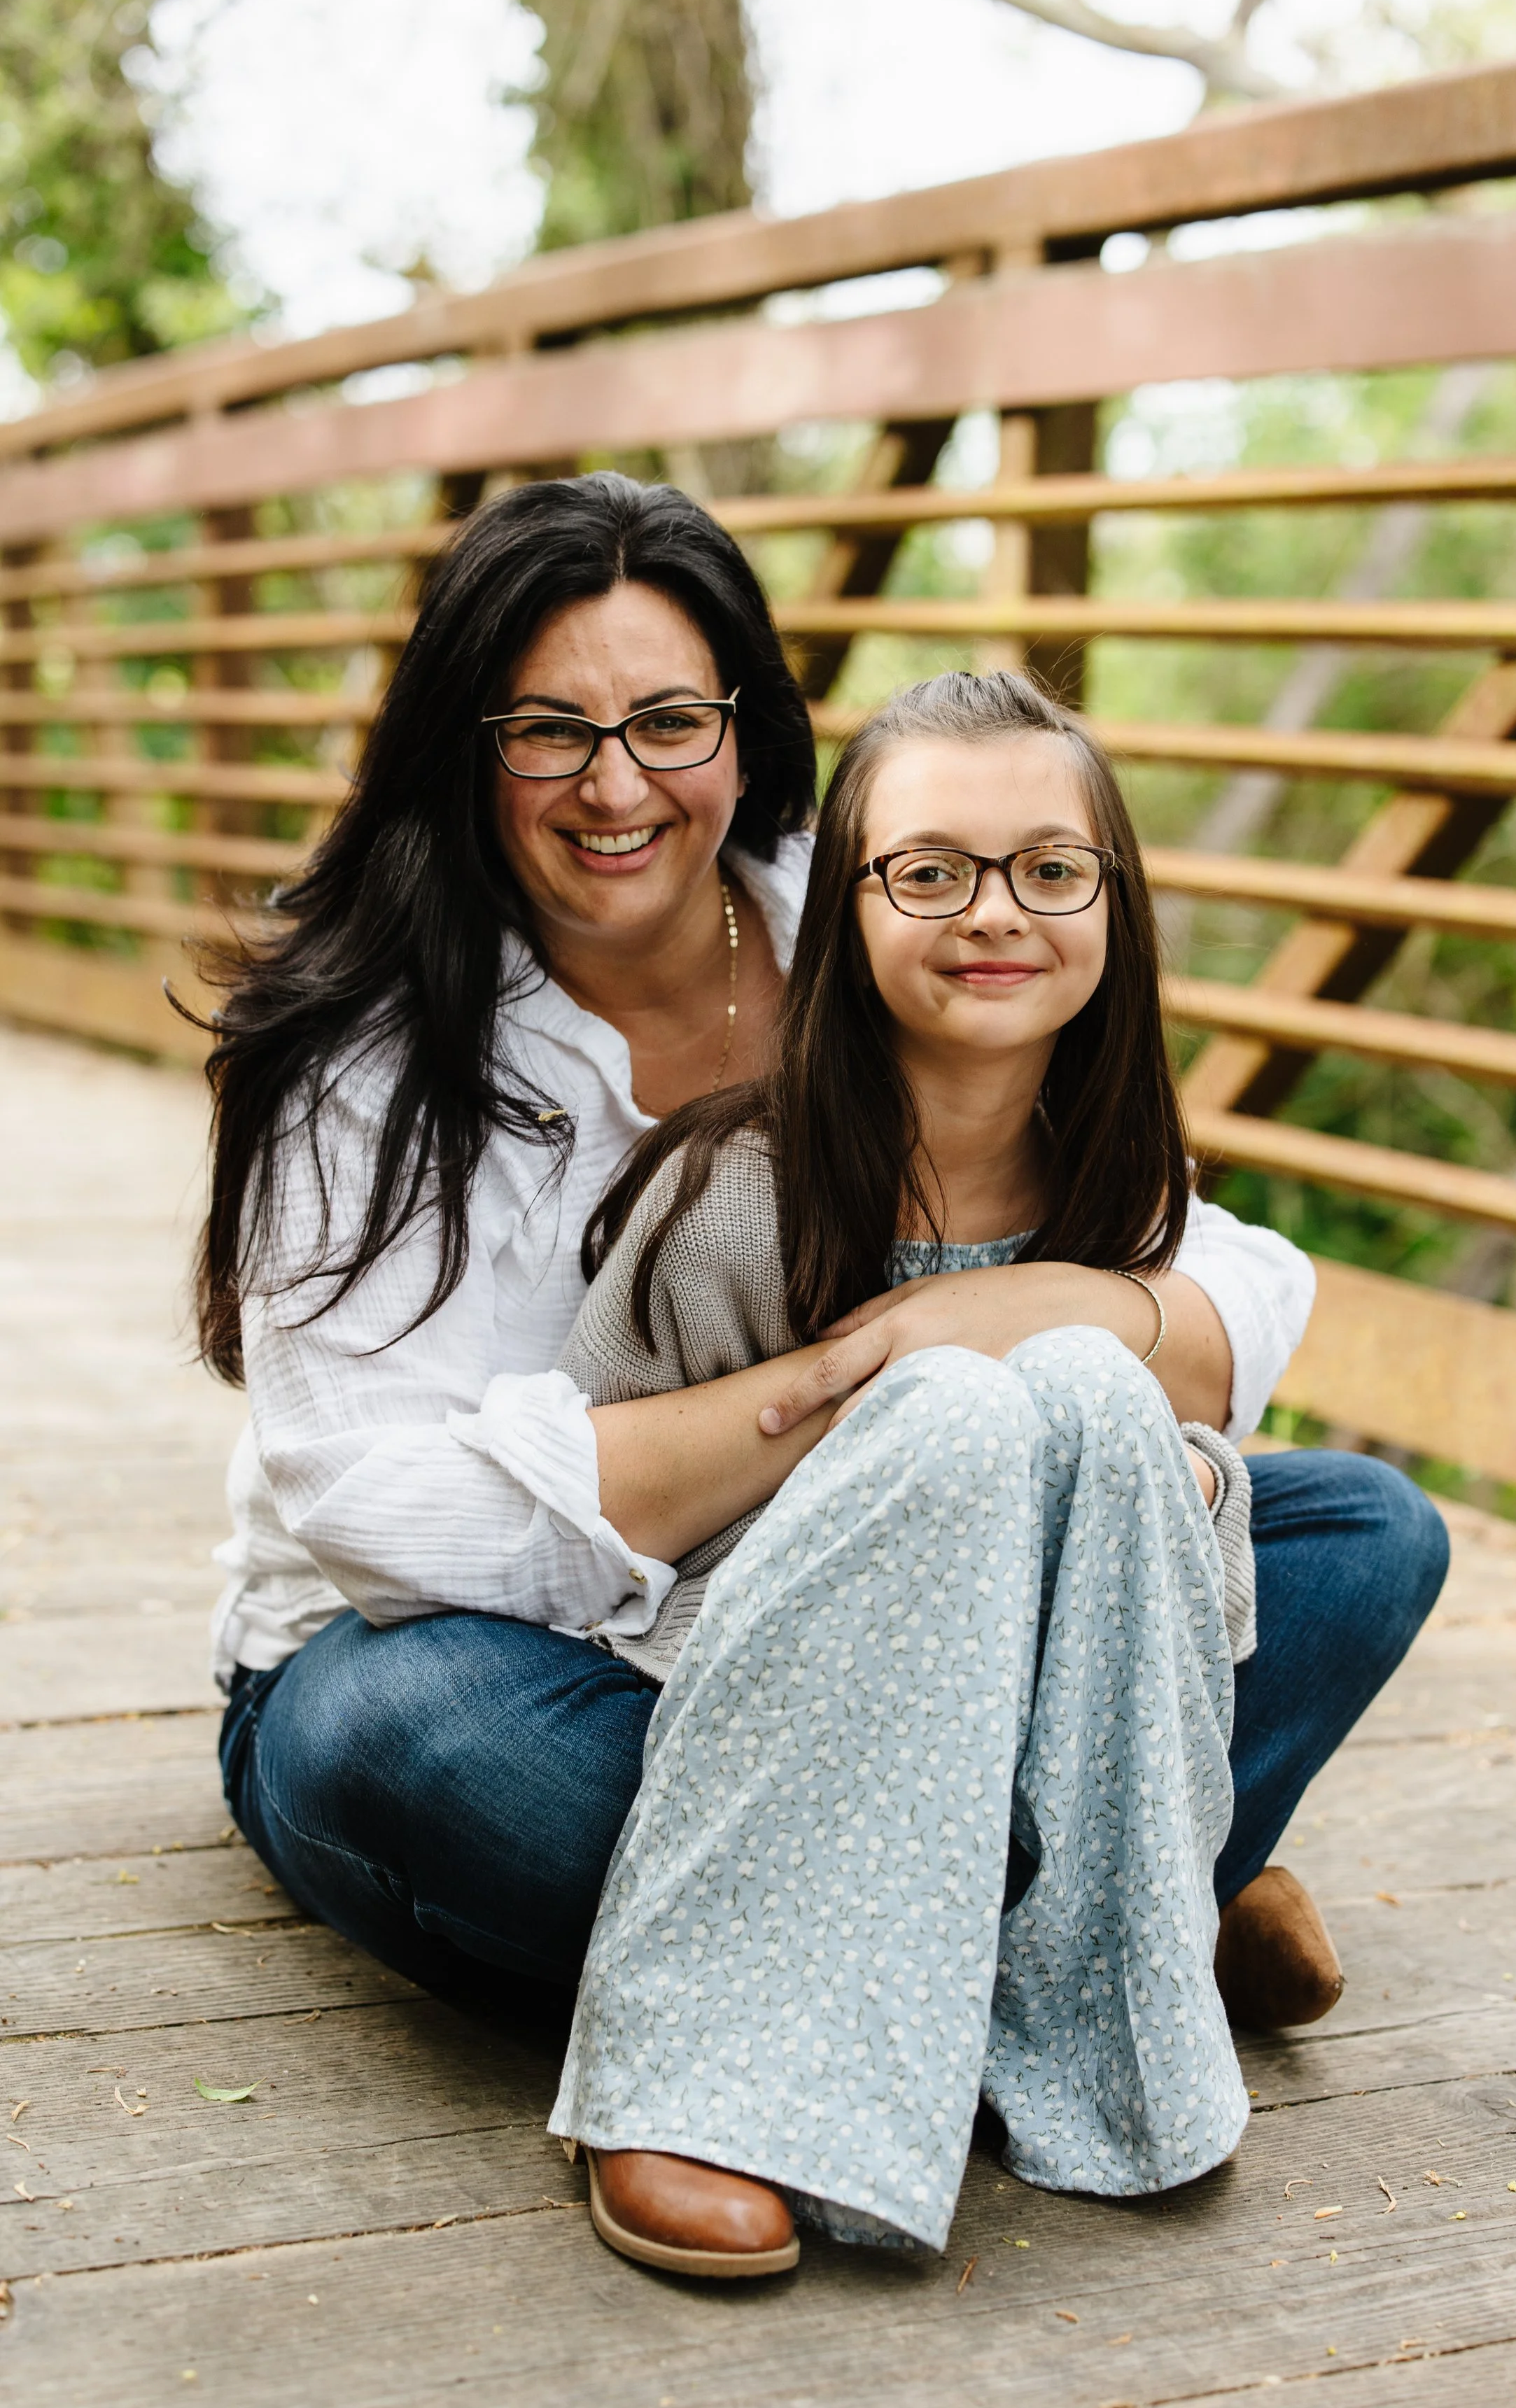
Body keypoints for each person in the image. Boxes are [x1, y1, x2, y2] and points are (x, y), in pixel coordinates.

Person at [201, 473, 1447, 2181]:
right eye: (548, 731)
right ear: (460, 743)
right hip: (508, 1650)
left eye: (667, 720)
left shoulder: (865, 901)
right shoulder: (357, 1054)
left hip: (903, 1594)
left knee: (1357, 1535)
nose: (617, 784)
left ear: (746, 727)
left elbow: (1234, 1281)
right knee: (418, 1755)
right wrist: (847, 1390)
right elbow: (380, 1517)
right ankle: (1110, 1892)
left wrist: (1013, 1318)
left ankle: (1007, 1908)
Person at [552, 668, 1265, 2275]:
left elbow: (1189, 1515)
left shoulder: (1130, 1181)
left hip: (1049, 1701)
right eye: (928, 871)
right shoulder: (730, 1196)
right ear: (851, 911)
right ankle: (704, 2082)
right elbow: (596, 1539)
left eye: (1048, 870)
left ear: (1111, 903)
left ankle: (1102, 2004)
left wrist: (1172, 1481)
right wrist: (923, 1435)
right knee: (952, 1411)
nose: (990, 915)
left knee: (1178, 1434)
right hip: (753, 1702)